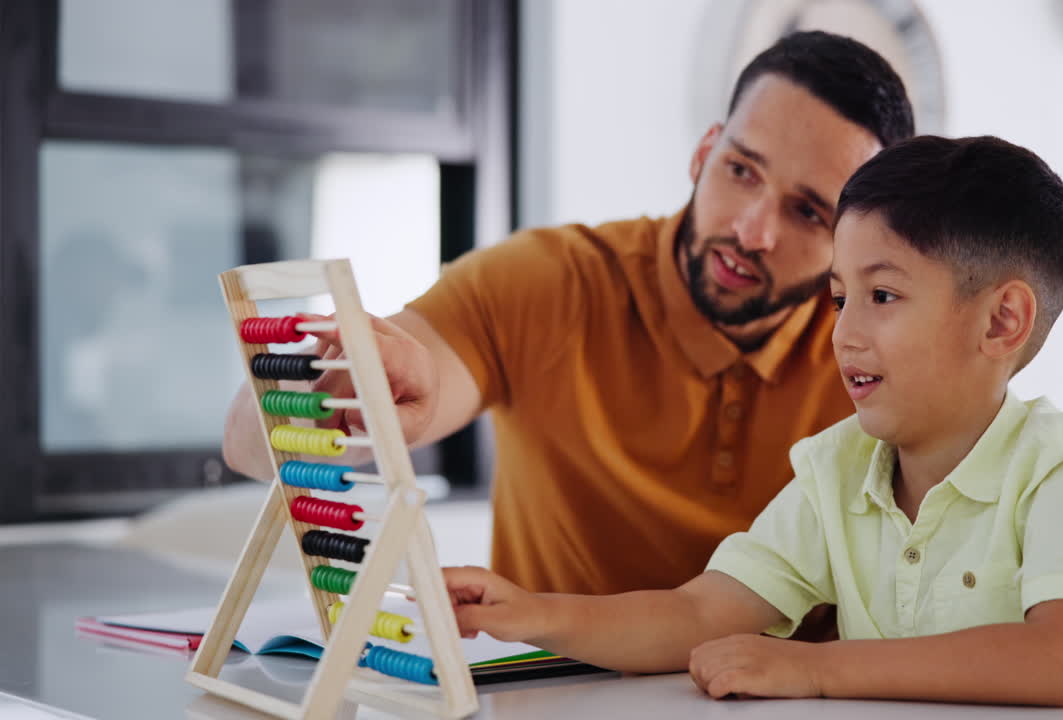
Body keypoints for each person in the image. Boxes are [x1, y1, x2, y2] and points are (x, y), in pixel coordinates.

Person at [439, 135, 1063, 709]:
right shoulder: (836, 468)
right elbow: (699, 614)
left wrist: (817, 667)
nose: (844, 333)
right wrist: (531, 613)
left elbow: (1061, 659)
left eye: (882, 295)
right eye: (840, 299)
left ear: (1001, 321)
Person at [223, 31, 915, 596]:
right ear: (704, 153)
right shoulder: (545, 284)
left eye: (807, 212)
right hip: (551, 691)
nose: (752, 230)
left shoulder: (878, 349)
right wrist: (331, 394)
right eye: (741, 171)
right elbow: (255, 441)